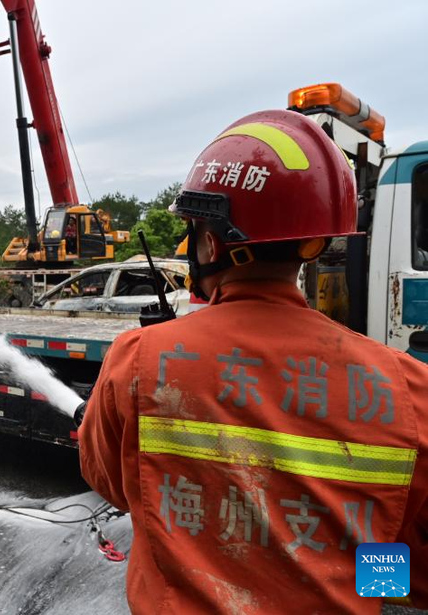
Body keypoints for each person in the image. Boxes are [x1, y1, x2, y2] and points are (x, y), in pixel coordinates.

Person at [78, 109, 428, 614]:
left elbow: (111, 484)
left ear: (211, 241)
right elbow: (415, 557)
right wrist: (354, 571)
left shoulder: (137, 360)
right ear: (313, 242)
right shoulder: (411, 388)